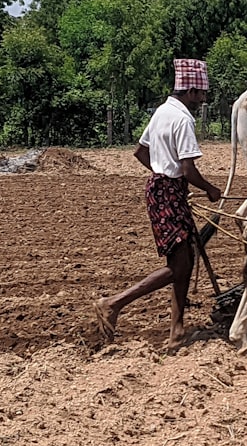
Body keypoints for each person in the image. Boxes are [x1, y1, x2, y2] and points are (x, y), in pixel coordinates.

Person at [93, 58, 222, 348]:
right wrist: (210, 189)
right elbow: (188, 170)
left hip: (161, 189)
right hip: (169, 191)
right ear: (189, 91)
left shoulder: (162, 111)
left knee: (184, 262)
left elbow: (140, 152)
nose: (202, 100)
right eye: (201, 94)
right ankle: (113, 303)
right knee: (178, 267)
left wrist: (163, 174)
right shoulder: (183, 119)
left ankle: (177, 331)